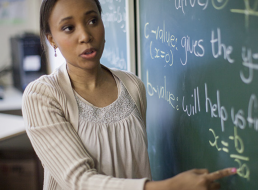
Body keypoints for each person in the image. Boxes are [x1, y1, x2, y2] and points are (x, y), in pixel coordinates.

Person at [22, 0, 237, 189]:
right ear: (51, 39)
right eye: (69, 28)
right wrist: (169, 187)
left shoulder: (132, 85)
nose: (85, 36)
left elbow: (136, 167)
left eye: (92, 21)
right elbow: (78, 181)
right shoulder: (42, 96)